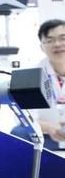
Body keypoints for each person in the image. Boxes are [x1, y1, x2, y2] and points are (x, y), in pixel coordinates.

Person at [30, 19, 65, 149]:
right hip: (46, 139)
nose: (57, 44)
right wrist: (49, 127)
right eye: (50, 40)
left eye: (63, 38)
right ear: (42, 47)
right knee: (18, 132)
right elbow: (25, 118)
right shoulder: (33, 75)